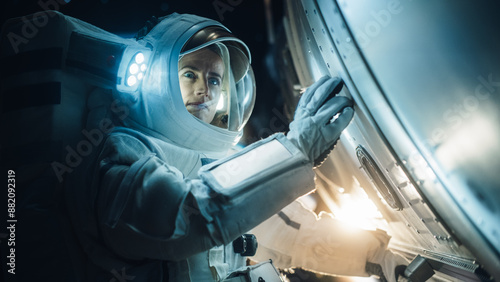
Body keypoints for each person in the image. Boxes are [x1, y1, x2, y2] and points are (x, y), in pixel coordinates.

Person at [0, 10, 405, 282]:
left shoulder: (209, 167)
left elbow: (290, 235)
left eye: (215, 80)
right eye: (189, 73)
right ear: (154, 75)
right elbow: (187, 216)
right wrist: (295, 149)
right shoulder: (118, 152)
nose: (204, 91)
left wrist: (380, 259)